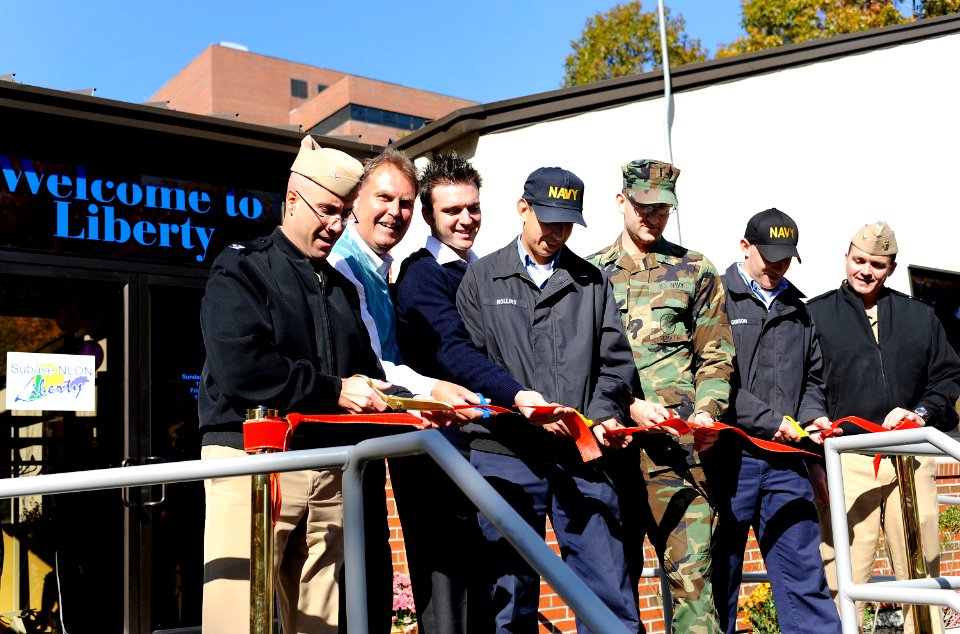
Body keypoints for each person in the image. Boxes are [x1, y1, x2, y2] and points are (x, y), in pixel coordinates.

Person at [199, 135, 409, 633]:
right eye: (327, 211)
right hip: (253, 462)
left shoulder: (339, 286)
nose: (336, 226)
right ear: (292, 198)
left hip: (327, 470)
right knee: (237, 620)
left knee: (323, 624)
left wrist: (416, 404)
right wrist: (335, 391)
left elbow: (369, 377)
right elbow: (243, 368)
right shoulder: (241, 265)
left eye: (344, 214)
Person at [456, 166, 641, 633]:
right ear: (523, 209)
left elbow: (616, 365)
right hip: (505, 457)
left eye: (567, 224)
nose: (557, 234)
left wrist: (598, 417)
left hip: (582, 456)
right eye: (548, 221)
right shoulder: (482, 280)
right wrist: (525, 413)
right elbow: (470, 367)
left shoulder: (592, 281)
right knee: (508, 599)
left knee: (607, 594)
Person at [326, 148, 482, 634]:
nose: (395, 211)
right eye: (384, 198)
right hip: (341, 450)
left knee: (374, 582)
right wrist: (438, 387)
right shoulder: (344, 266)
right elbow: (379, 364)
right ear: (355, 201)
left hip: (377, 445)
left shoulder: (381, 269)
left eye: (405, 202)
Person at [587, 159, 734, 633]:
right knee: (609, 586)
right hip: (611, 453)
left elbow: (716, 356)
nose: (653, 217)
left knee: (693, 586)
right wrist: (621, 407)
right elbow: (578, 364)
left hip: (676, 455)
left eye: (663, 209)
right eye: (644, 207)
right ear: (621, 202)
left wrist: (709, 413)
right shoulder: (588, 275)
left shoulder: (695, 270)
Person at [809, 221, 960, 634]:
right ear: (846, 258)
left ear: (891, 268)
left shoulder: (919, 316)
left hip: (911, 456)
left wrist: (923, 413)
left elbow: (947, 376)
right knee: (844, 567)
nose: (865, 270)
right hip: (847, 457)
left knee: (921, 562)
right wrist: (814, 453)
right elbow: (804, 384)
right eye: (859, 260)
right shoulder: (814, 316)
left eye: (877, 264)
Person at [711, 208, 840, 633]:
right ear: (745, 247)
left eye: (786, 258)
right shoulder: (715, 297)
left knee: (805, 578)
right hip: (727, 461)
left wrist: (812, 419)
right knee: (715, 583)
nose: (777, 267)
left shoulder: (799, 310)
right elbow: (712, 380)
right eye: (769, 257)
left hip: (787, 463)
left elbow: (812, 381)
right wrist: (771, 422)